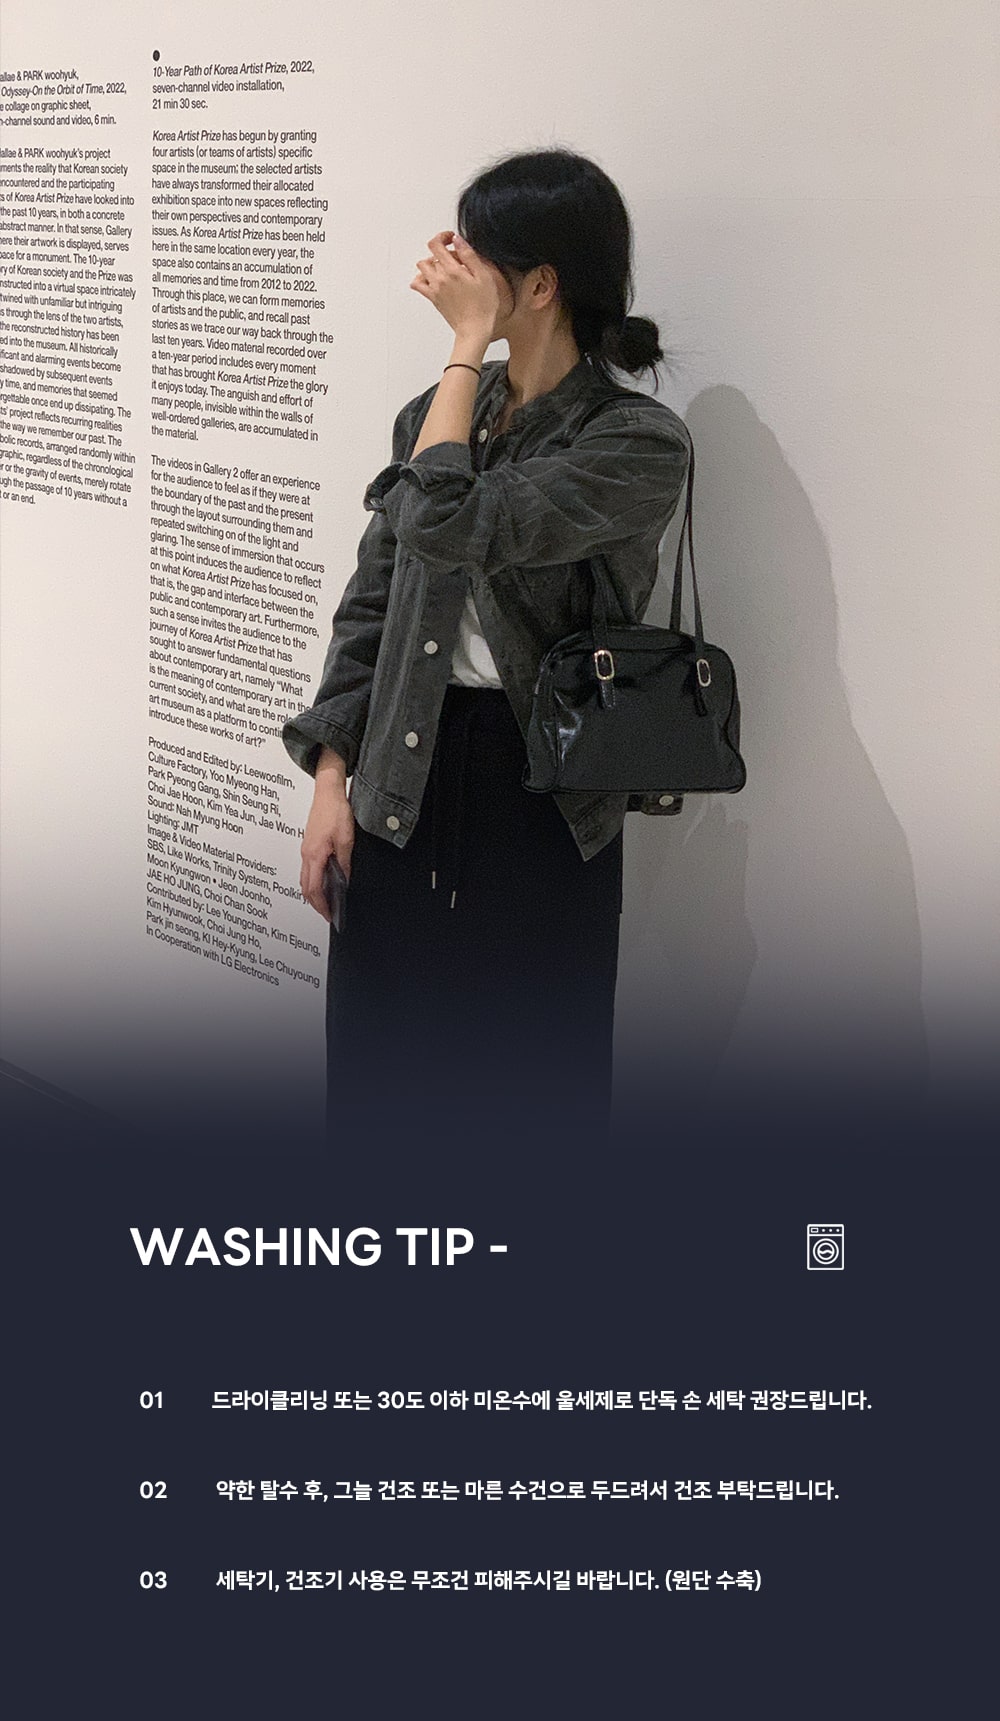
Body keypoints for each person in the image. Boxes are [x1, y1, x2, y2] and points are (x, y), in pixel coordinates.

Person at [281, 147, 692, 1159]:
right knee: (377, 1084)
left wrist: (465, 344)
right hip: (400, 774)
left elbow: (450, 522)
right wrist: (331, 777)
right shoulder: (430, 420)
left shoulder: (634, 442)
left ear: (540, 284)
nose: (448, 263)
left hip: (540, 794)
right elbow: (371, 606)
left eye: (475, 252)